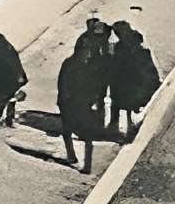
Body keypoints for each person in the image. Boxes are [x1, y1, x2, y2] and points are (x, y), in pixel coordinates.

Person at [57, 22, 110, 172]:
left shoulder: (89, 66)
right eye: (85, 52)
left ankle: (87, 164)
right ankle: (71, 155)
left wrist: (94, 99)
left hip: (83, 104)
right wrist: (65, 100)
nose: (87, 54)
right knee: (67, 131)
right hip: (69, 103)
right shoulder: (69, 64)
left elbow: (94, 85)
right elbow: (62, 84)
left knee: (87, 135)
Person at [106, 22, 162, 141]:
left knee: (122, 100)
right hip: (128, 80)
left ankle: (122, 127)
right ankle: (122, 126)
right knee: (121, 100)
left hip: (132, 81)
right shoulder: (127, 44)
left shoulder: (130, 47)